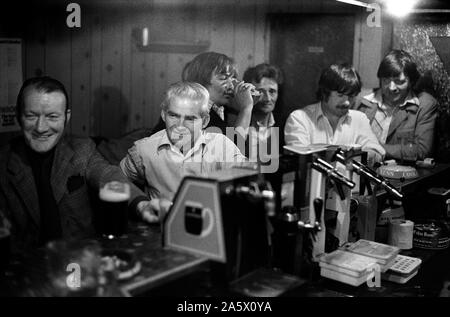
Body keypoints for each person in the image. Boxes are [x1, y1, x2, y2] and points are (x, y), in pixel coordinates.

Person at [0, 77, 156, 252]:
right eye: (31, 116)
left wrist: (142, 204)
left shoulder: (82, 149)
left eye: (52, 117)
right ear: (18, 116)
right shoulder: (4, 162)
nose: (41, 127)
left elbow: (108, 174)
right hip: (28, 271)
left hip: (77, 265)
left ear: (66, 117)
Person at [120, 81, 247, 201]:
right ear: (164, 115)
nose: (180, 125)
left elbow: (247, 181)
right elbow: (115, 182)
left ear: (205, 121)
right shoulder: (144, 150)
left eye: (190, 119)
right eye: (173, 115)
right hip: (159, 222)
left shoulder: (222, 146)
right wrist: (141, 205)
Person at [284, 63, 385, 164]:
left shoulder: (359, 119)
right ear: (325, 93)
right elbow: (303, 161)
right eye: (340, 95)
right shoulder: (299, 119)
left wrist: (367, 155)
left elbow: (377, 152)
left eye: (351, 96)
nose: (347, 102)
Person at [354, 49, 437, 161]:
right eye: (386, 80)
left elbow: (422, 150)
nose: (392, 87)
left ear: (411, 82)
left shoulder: (424, 104)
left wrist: (375, 148)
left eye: (399, 81)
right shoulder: (362, 100)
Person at [151, 51, 256, 136]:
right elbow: (231, 152)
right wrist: (246, 109)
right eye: (224, 78)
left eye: (233, 78)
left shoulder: (223, 111)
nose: (232, 85)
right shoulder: (188, 111)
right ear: (202, 80)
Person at [241, 63, 283, 166]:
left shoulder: (283, 125)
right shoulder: (237, 122)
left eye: (272, 91)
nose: (268, 99)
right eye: (261, 92)